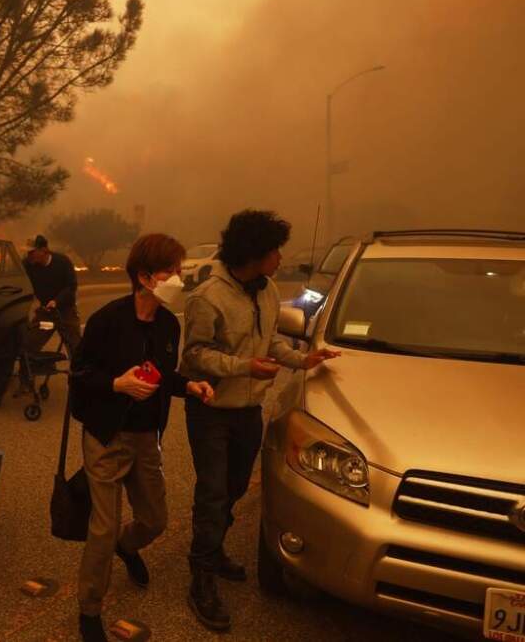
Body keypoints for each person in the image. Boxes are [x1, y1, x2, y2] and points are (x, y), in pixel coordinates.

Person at [180, 210, 340, 631]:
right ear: (253, 253)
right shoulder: (207, 297)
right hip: (211, 411)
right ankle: (201, 577)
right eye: (274, 251)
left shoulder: (267, 290)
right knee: (212, 493)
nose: (281, 259)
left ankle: (212, 551)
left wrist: (305, 360)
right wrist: (243, 367)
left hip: (249, 411)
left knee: (233, 488)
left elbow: (270, 343)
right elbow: (193, 357)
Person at [70, 233, 216, 642]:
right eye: (172, 271)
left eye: (180, 270)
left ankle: (128, 546)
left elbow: (163, 374)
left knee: (155, 519)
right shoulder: (107, 320)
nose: (179, 279)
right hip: (105, 436)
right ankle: (89, 608)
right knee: (102, 527)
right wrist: (117, 384)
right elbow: (78, 374)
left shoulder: (169, 324)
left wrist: (190, 386)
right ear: (145, 276)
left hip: (146, 437)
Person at [23, 235, 82, 356]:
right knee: (29, 343)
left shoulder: (62, 262)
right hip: (46, 311)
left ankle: (79, 373)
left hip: (66, 311)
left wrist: (56, 301)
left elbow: (71, 286)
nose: (29, 255)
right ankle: (28, 372)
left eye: (32, 252)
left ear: (44, 250)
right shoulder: (28, 265)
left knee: (75, 346)